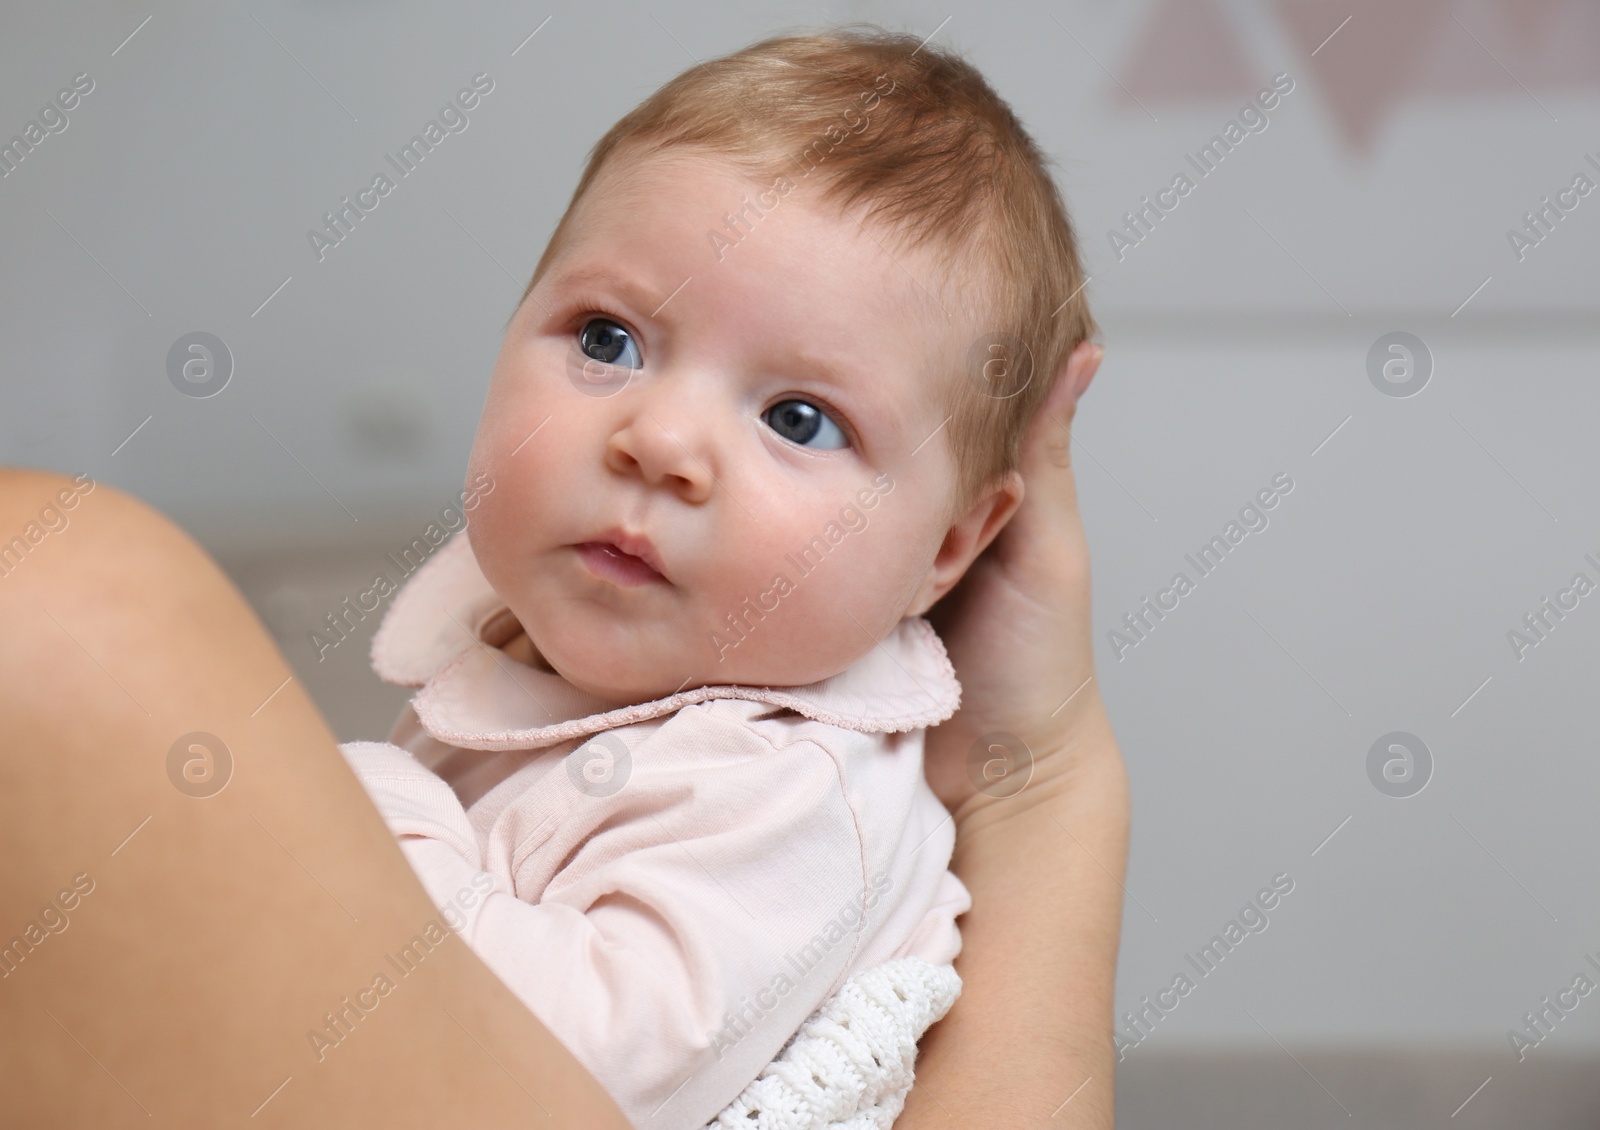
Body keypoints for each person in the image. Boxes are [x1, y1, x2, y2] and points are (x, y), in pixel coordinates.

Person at [0, 39, 1126, 1130]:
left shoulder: (789, 780)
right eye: (608, 338)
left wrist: (356, 815)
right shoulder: (544, 655)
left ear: (946, 548)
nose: (659, 437)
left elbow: (578, 1067)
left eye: (798, 418)